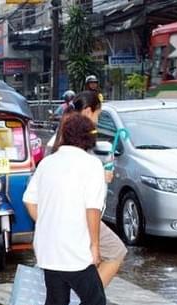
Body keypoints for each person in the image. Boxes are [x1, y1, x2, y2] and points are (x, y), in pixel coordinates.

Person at [23, 112, 107, 305]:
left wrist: (48, 222)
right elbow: (93, 209)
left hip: (47, 246)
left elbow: (29, 200)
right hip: (74, 246)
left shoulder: (48, 163)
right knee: (94, 300)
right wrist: (95, 245)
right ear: (88, 139)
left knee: (56, 301)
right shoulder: (91, 165)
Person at [61, 91, 127, 288]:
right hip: (79, 212)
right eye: (98, 115)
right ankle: (89, 300)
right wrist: (95, 246)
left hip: (63, 215)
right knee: (116, 251)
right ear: (89, 111)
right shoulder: (78, 136)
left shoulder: (64, 131)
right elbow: (89, 202)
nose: (97, 121)